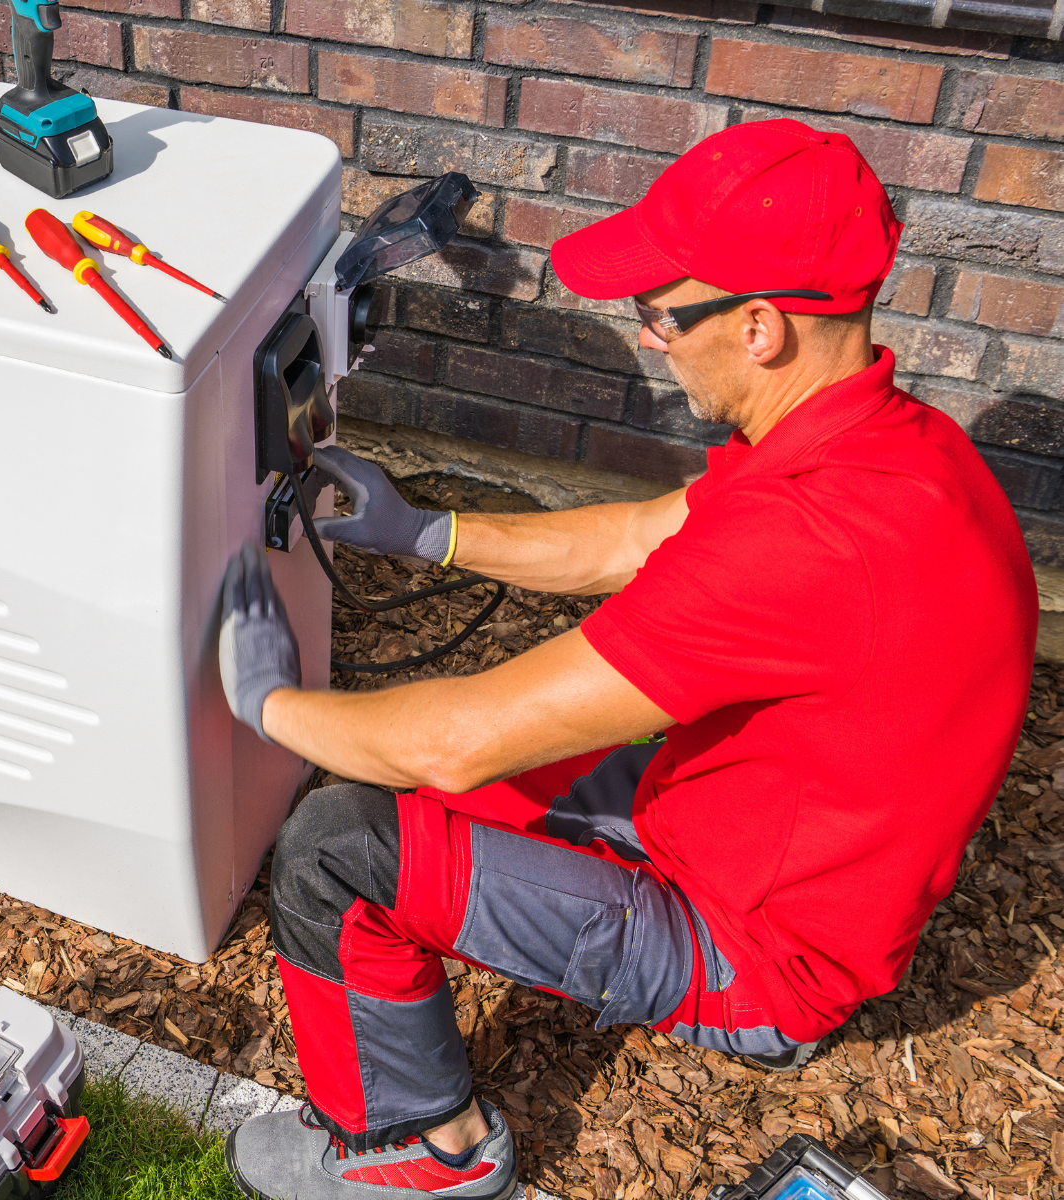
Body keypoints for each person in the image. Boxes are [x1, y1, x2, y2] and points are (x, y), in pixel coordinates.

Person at [217, 118, 1037, 1200]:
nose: (648, 338)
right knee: (398, 780)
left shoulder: (807, 544)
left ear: (757, 329)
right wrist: (426, 531)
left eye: (658, 313)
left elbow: (454, 743)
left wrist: (265, 701)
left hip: (755, 954)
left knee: (333, 846)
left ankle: (422, 1153)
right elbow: (638, 535)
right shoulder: (887, 445)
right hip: (735, 828)